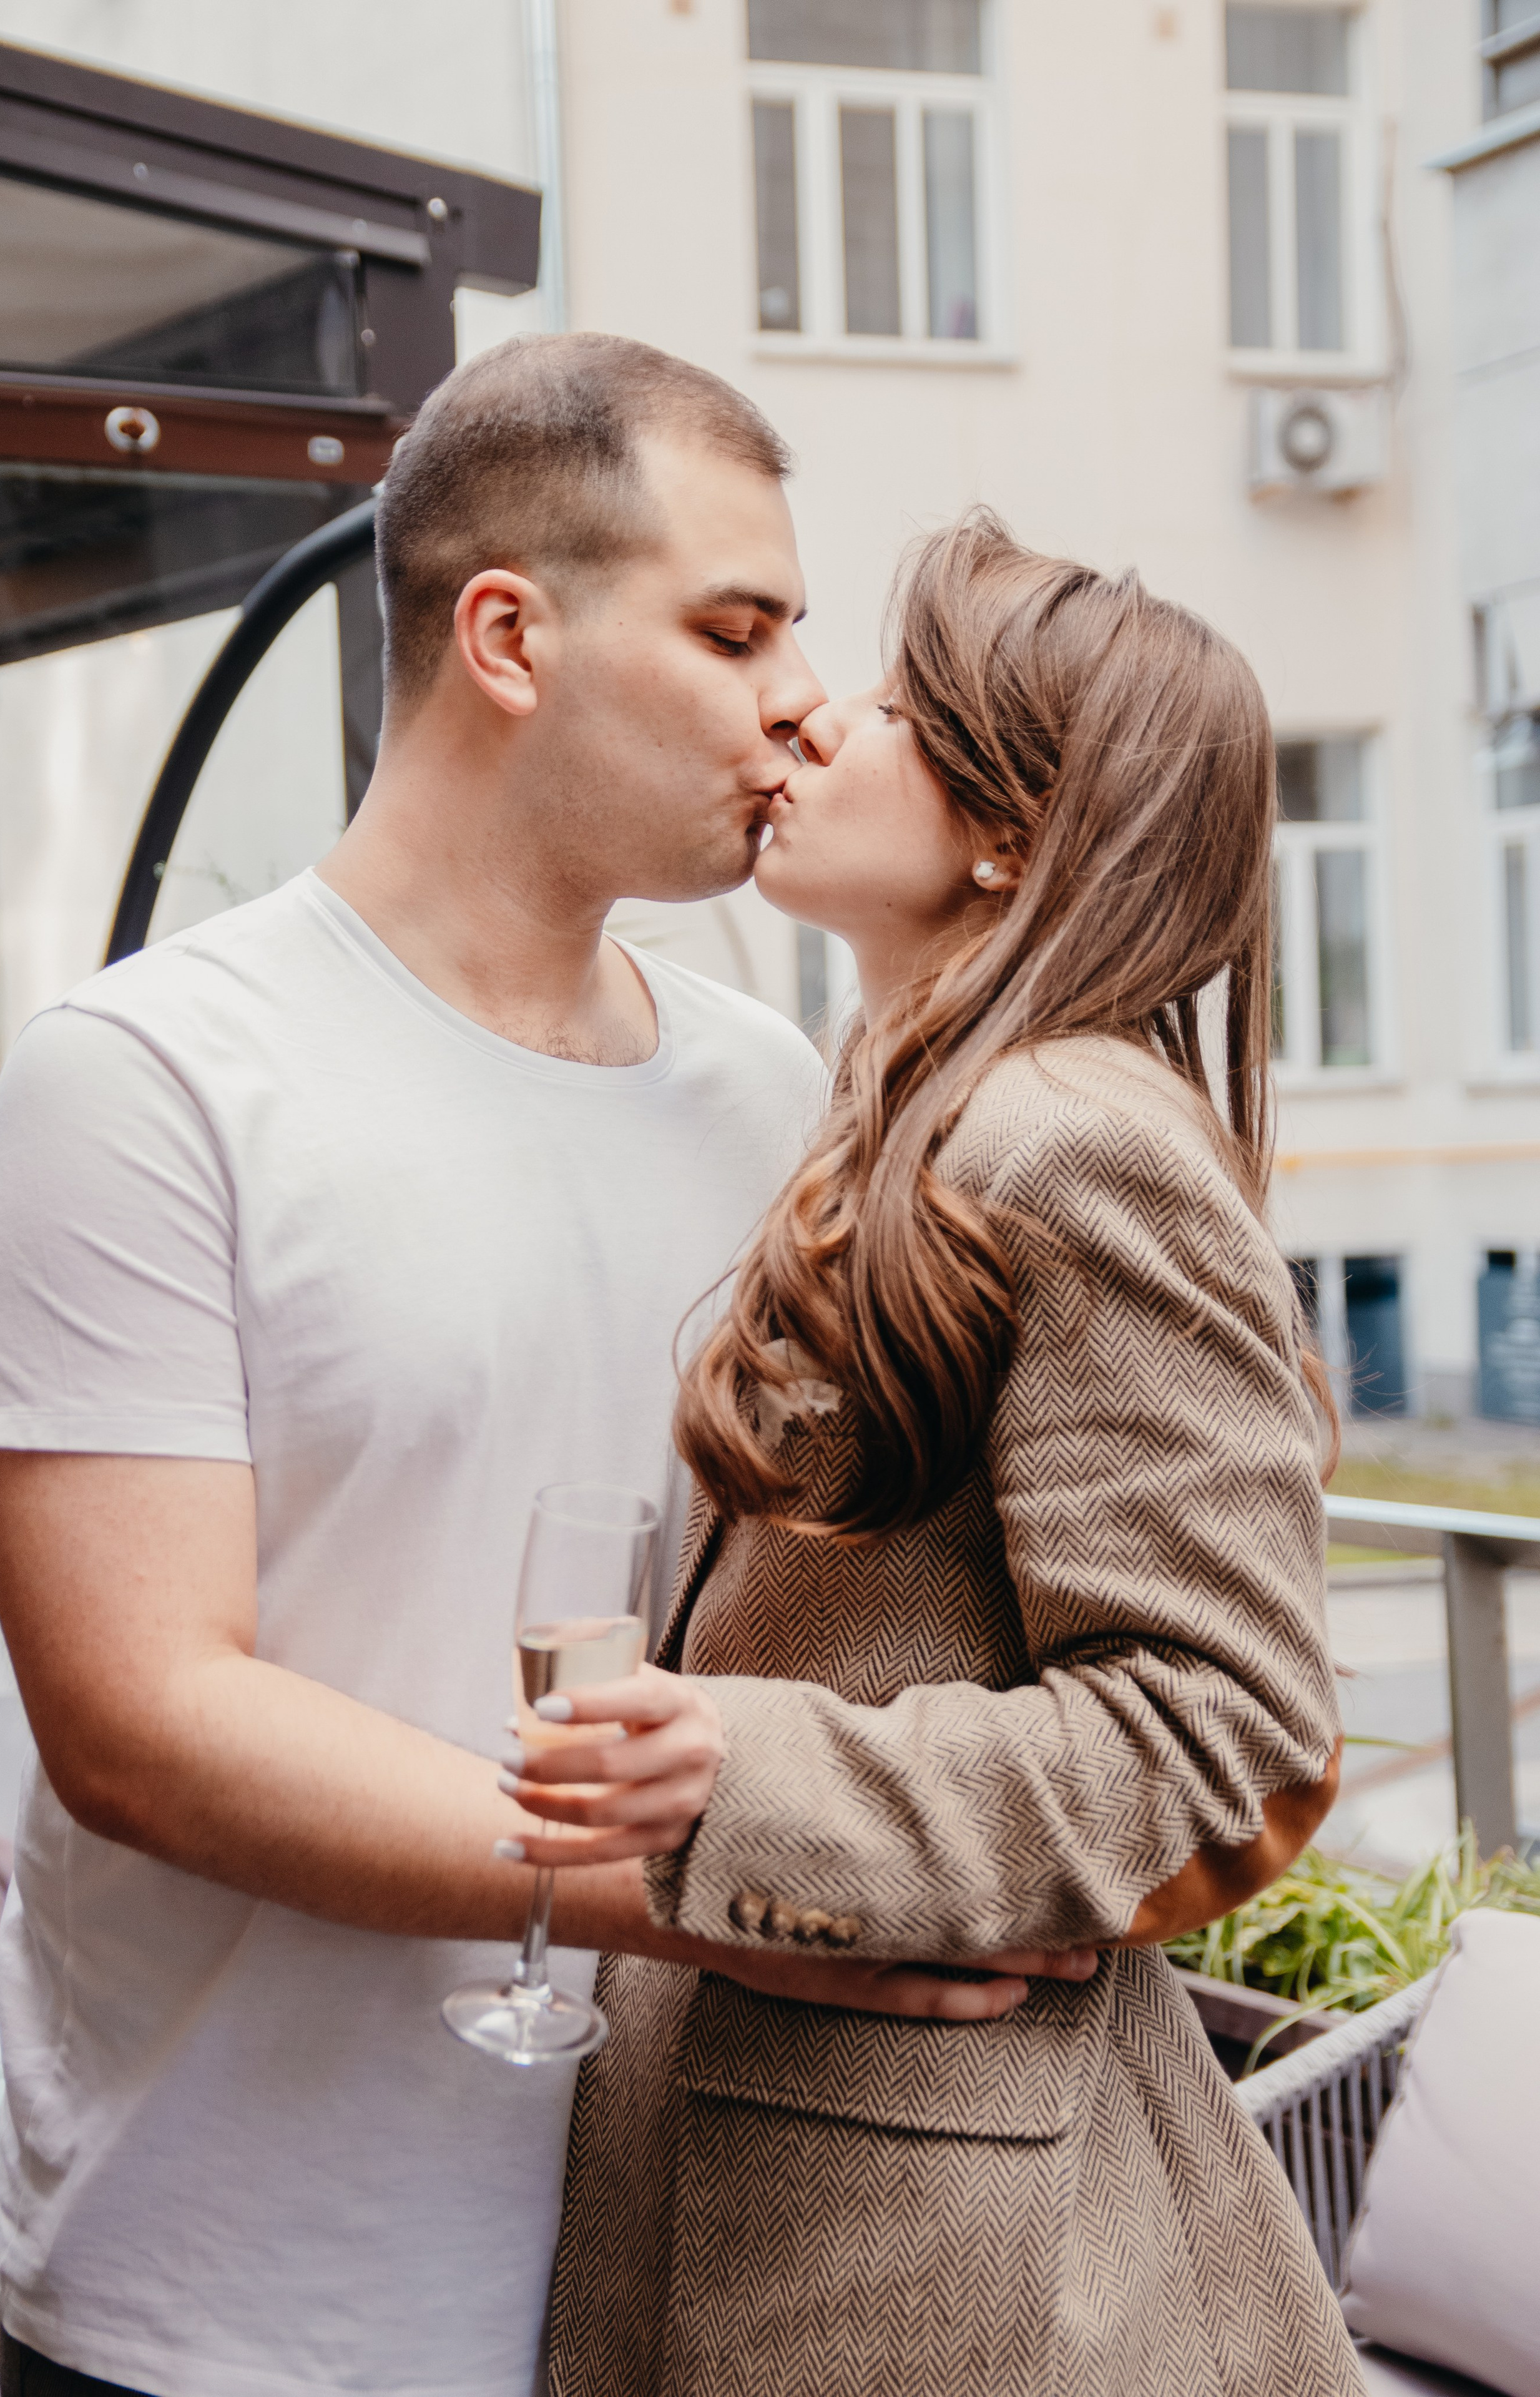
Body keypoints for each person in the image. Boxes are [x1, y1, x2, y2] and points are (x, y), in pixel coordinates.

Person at [0, 345, 1088, 2397]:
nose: (800, 701)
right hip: (233, 2300)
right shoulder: (144, 1079)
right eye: (735, 630)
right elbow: (138, 1721)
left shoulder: (771, 1096)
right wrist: (711, 1888)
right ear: (507, 636)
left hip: (683, 2266)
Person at [503, 514, 1360, 2397]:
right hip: (792, 2181)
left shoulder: (1069, 1143)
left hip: (939, 2265)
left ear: (1012, 834)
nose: (808, 722)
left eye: (889, 704)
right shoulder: (903, 1112)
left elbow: (1228, 1735)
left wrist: (739, 1765)